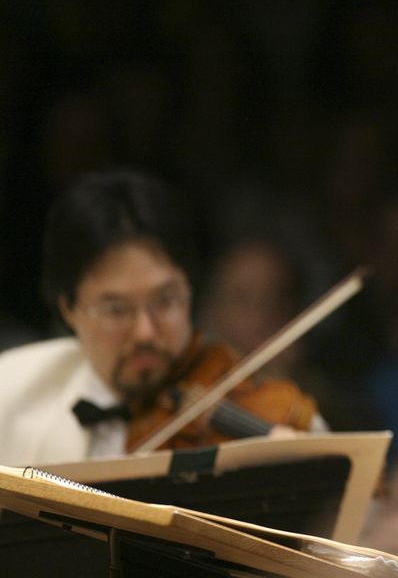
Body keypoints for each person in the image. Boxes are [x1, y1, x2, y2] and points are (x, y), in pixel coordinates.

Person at [0, 169, 325, 466]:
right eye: (116, 310)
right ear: (69, 310)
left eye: (165, 301)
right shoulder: (11, 395)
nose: (145, 331)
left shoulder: (267, 410)